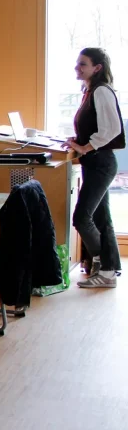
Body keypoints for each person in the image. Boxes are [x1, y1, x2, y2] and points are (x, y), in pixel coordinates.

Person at [64, 47, 125, 288]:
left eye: (83, 64)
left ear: (97, 68)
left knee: (82, 217)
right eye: (78, 64)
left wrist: (85, 147)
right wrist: (78, 141)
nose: (77, 68)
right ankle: (110, 270)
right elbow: (95, 127)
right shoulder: (90, 91)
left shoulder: (101, 91)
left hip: (101, 162)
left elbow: (113, 129)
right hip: (96, 162)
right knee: (101, 218)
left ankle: (106, 266)